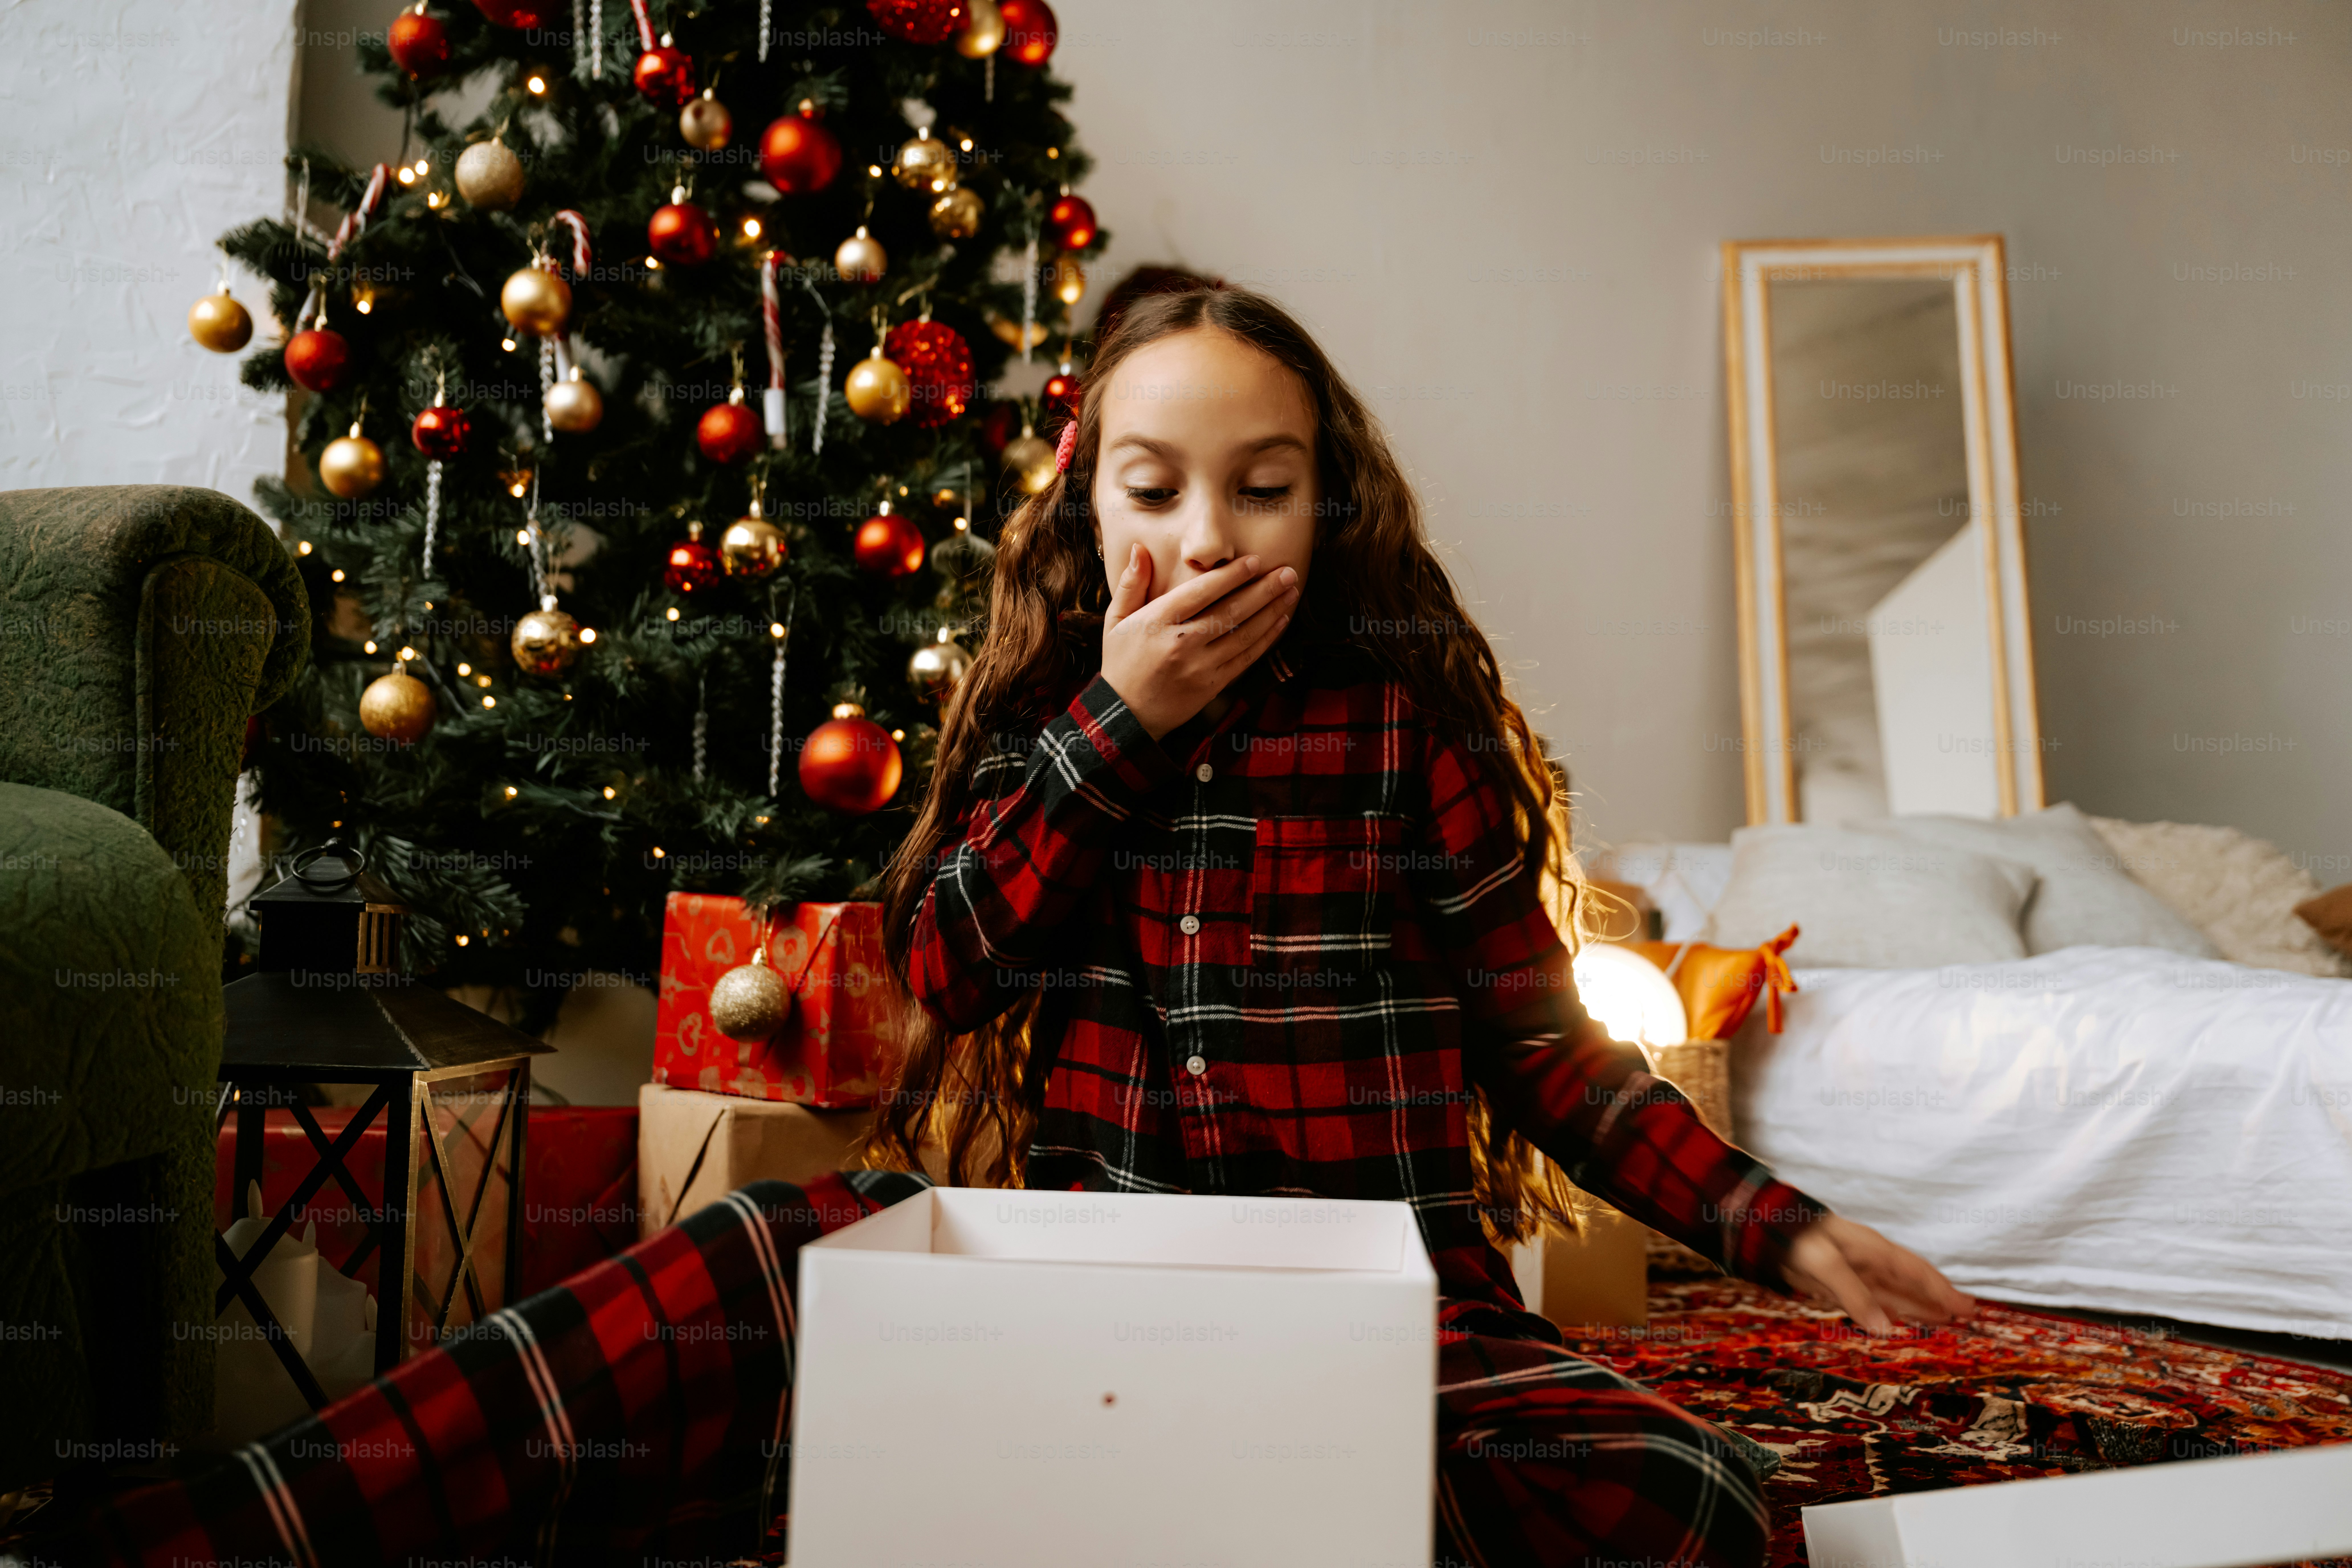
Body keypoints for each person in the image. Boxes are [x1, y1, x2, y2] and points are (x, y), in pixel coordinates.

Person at [873, 283, 1975, 1568]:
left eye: (1263, 488)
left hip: (1401, 1320)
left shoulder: (1401, 730)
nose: (1212, 538)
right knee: (780, 1256)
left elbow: (1552, 1053)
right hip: (1111, 1298)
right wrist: (1118, 726)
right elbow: (941, 971)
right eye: (1157, 490)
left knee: (1690, 1498)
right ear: (1092, 505)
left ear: (1326, 506)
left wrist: (1779, 1225)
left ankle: (1261, 1501)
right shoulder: (1050, 721)